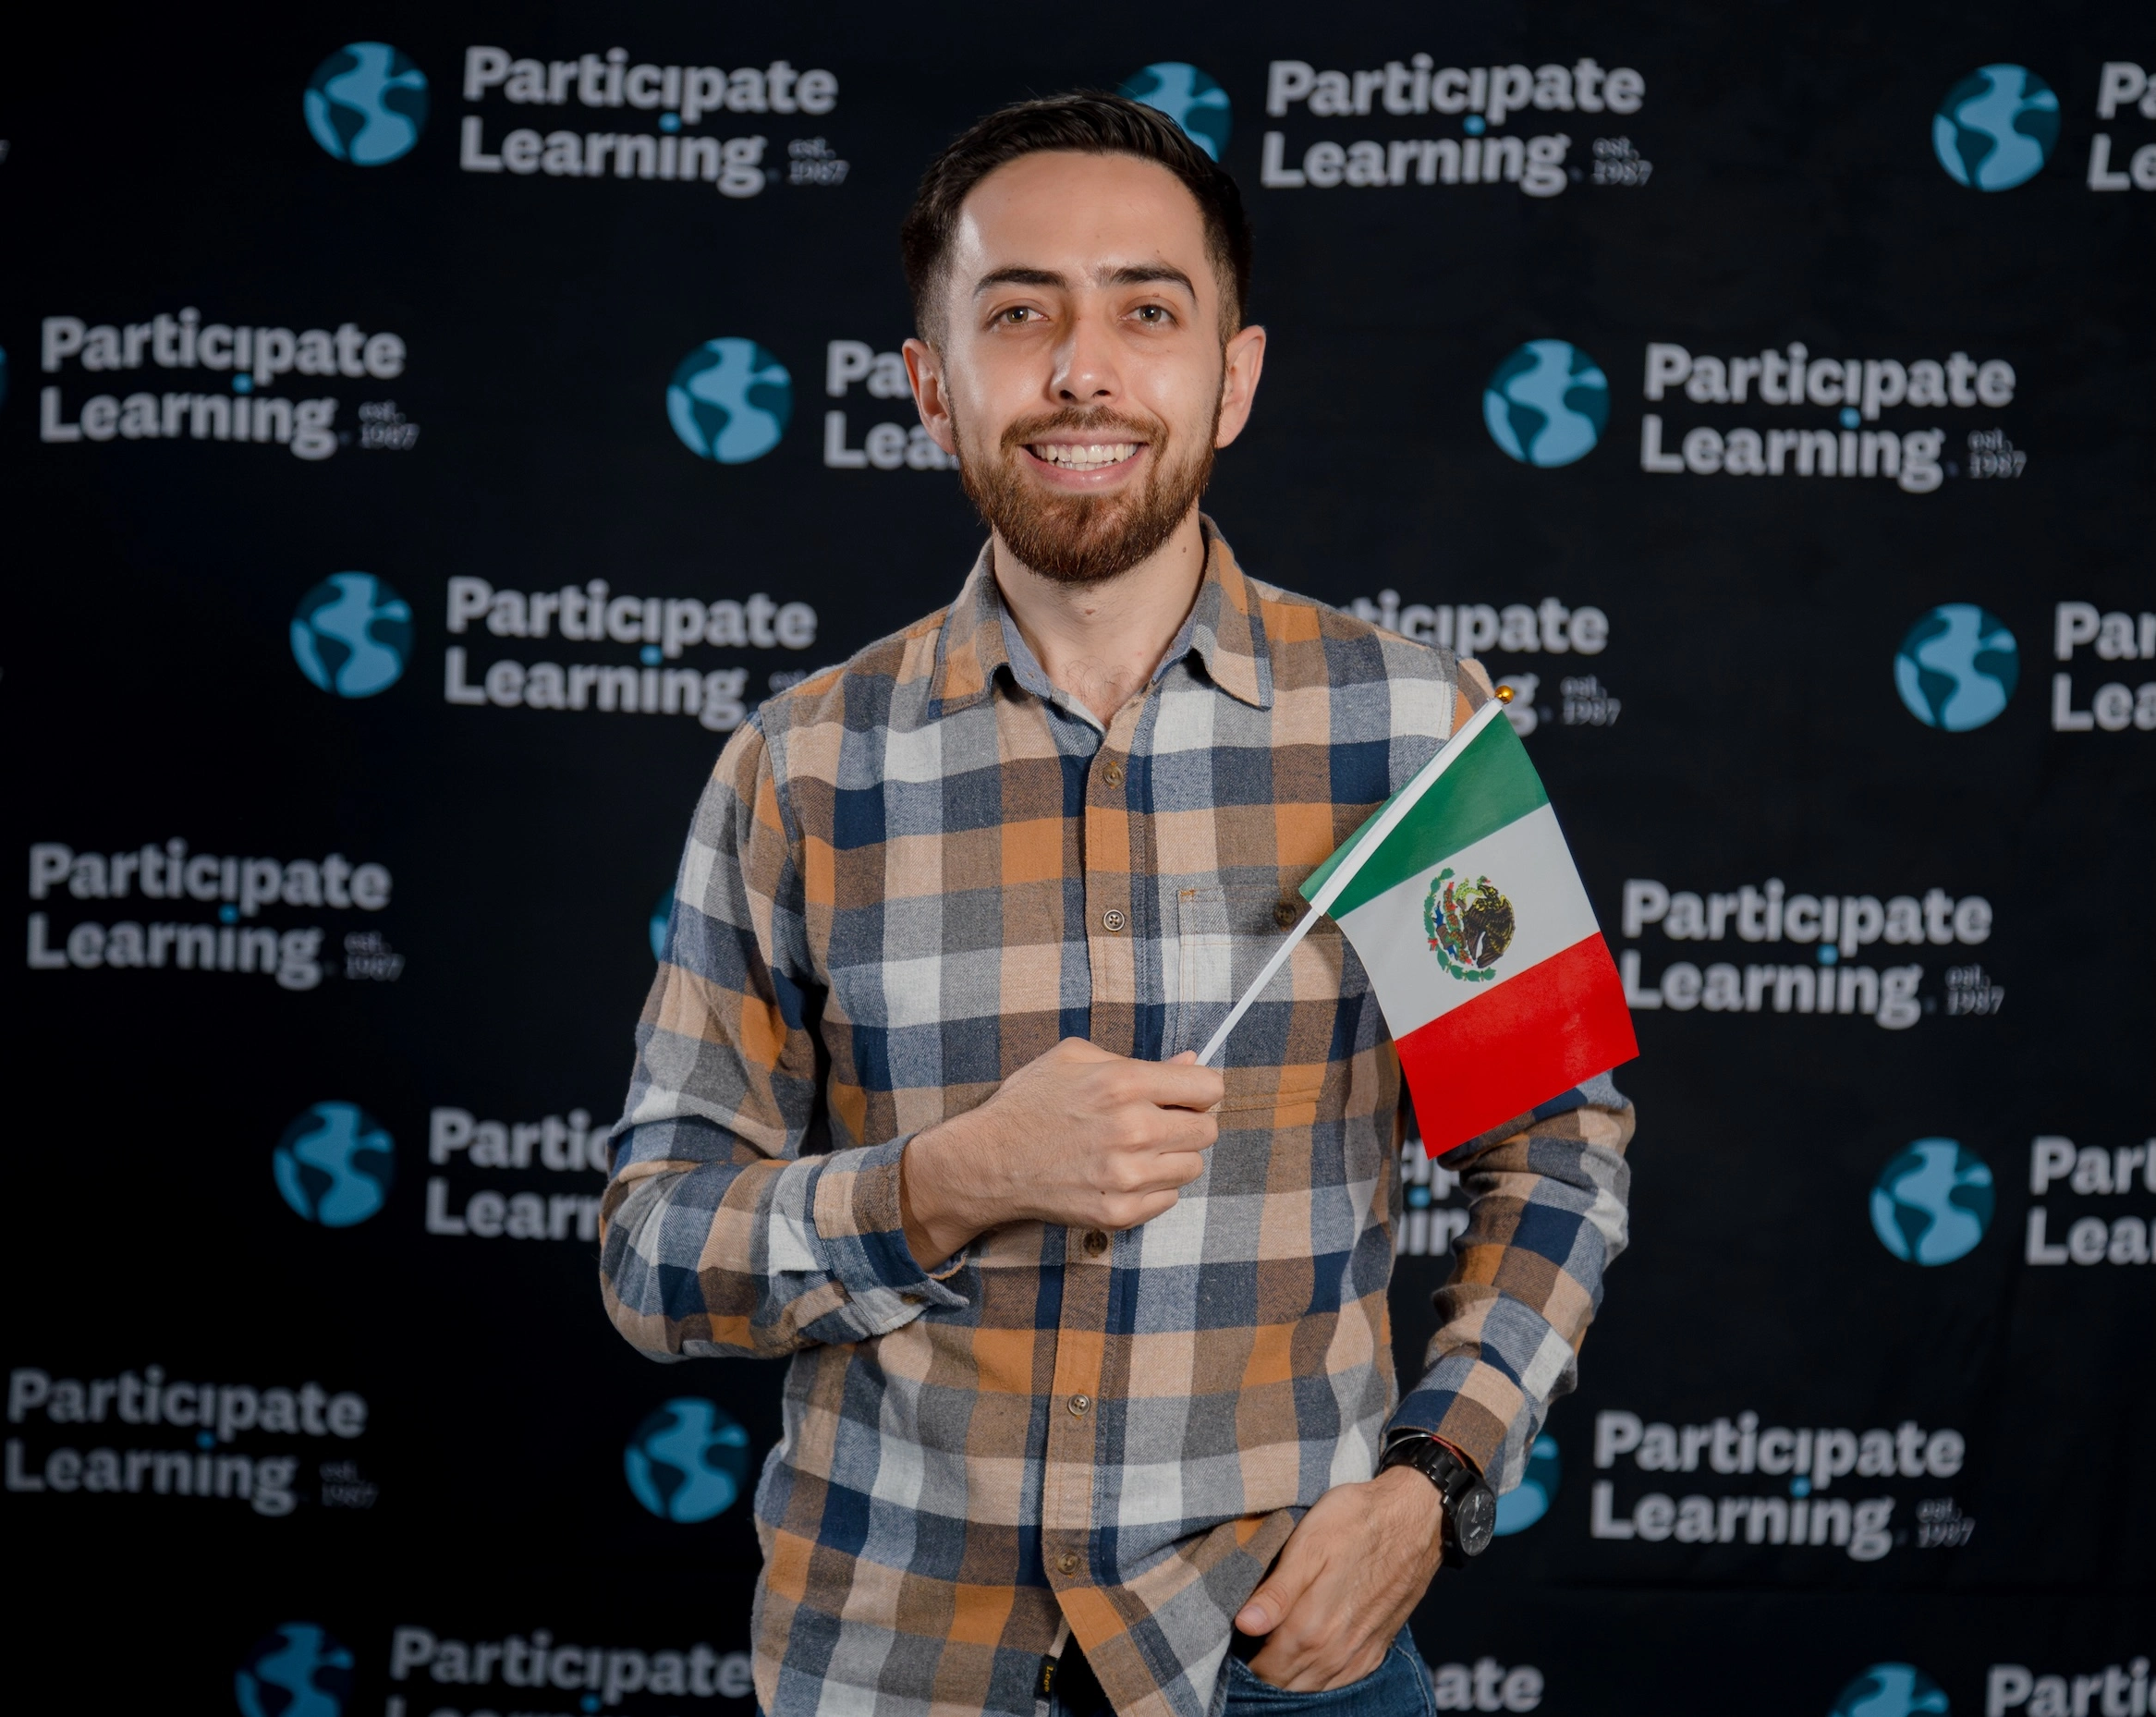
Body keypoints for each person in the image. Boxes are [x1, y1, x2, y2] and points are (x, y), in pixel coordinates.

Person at [601, 93, 1634, 1717]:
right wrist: (948, 1182)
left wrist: (1434, 1480)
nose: (1084, 369)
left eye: (1148, 311)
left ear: (1235, 376)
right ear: (933, 386)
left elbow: (1558, 1148)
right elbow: (655, 1254)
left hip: (1283, 1655)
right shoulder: (796, 769)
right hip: (891, 1658)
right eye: (1021, 314)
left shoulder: (1420, 739)